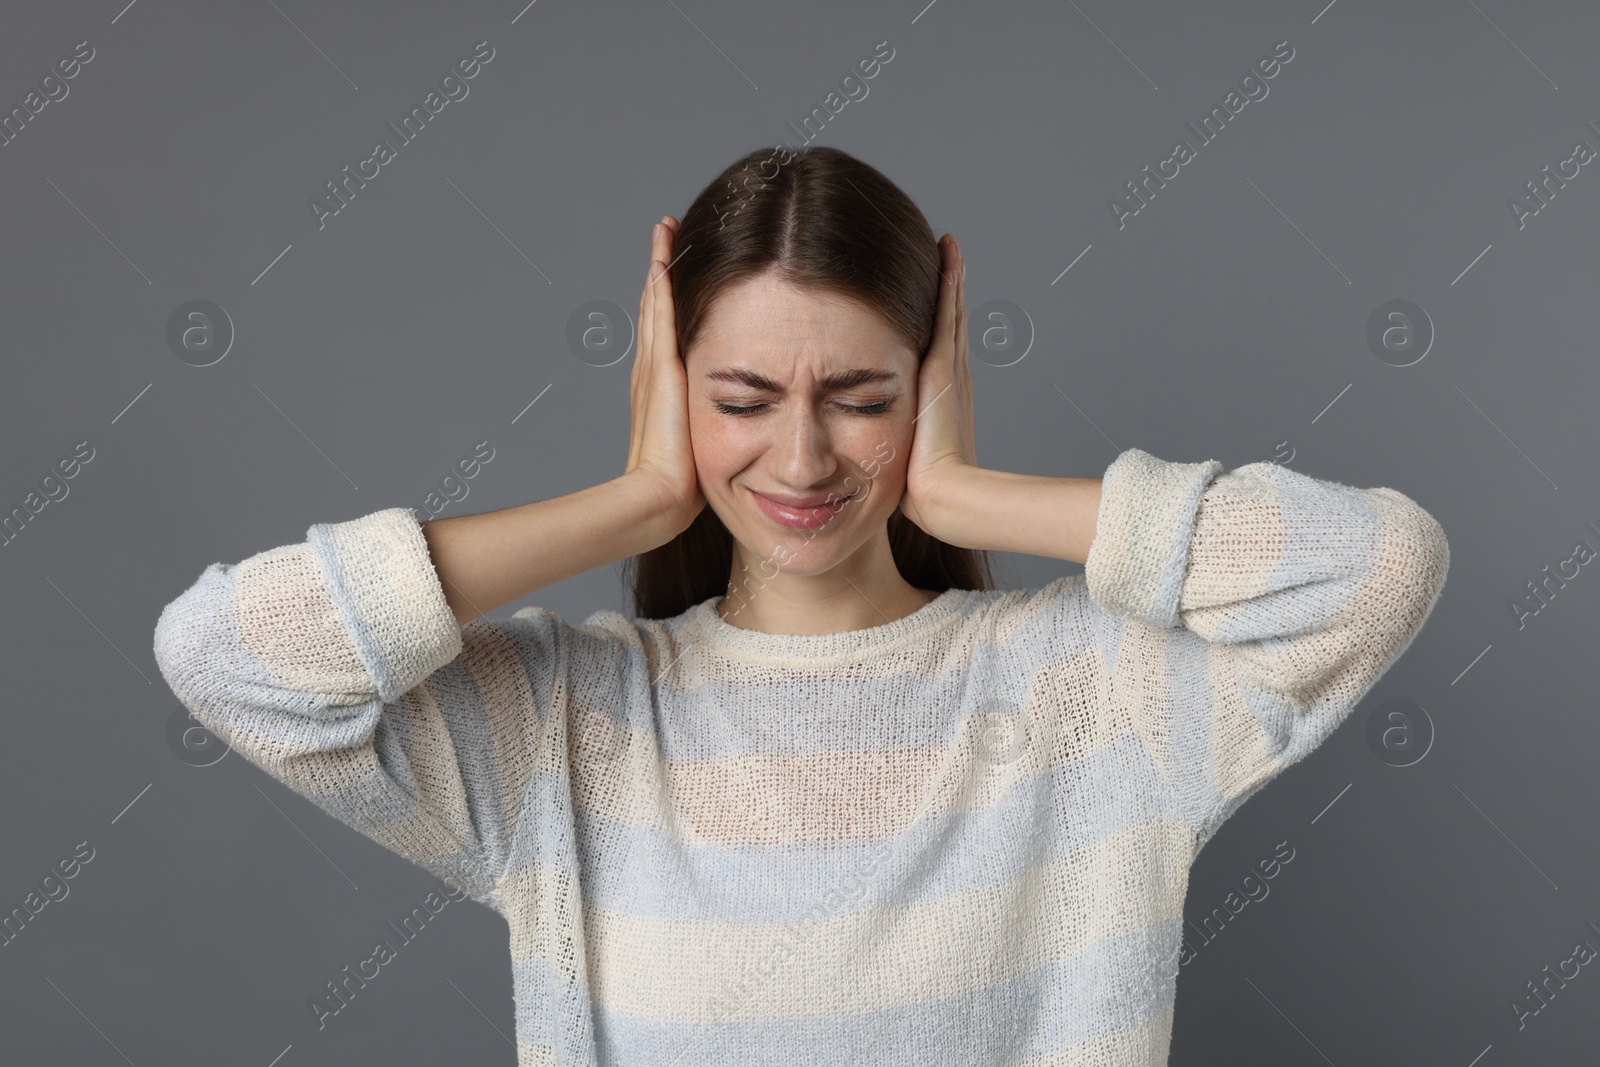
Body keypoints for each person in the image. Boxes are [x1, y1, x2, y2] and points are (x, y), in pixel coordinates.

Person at [152, 145, 1451, 1066]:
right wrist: (638, 498)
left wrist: (962, 493)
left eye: (862, 398)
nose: (805, 460)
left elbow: (1377, 567)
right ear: (670, 387)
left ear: (934, 377)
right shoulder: (567, 727)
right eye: (743, 400)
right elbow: (226, 655)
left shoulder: (1097, 691)